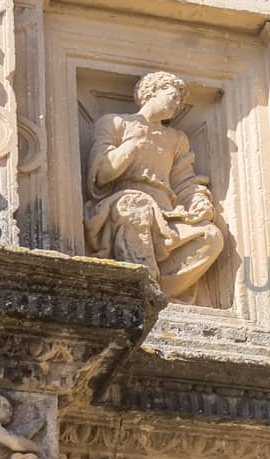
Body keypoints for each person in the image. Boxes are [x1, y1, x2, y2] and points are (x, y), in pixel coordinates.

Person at [85, 71, 227, 301]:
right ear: (151, 92)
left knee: (211, 236)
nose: (177, 104)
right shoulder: (115, 123)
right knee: (135, 206)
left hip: (166, 213)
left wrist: (199, 202)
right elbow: (101, 174)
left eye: (180, 101)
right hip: (124, 201)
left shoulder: (176, 139)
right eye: (172, 96)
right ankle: (141, 291)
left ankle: (160, 294)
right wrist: (131, 147)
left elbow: (184, 182)